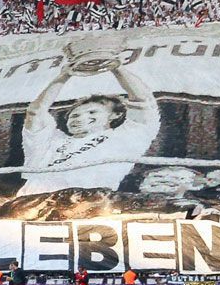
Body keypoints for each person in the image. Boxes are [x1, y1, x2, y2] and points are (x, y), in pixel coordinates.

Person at [18, 48, 159, 196]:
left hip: (86, 205)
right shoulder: (51, 141)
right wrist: (64, 75)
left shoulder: (126, 138)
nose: (80, 118)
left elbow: (142, 101)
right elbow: (35, 111)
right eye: (74, 116)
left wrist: (116, 67)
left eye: (92, 112)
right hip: (31, 205)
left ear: (115, 115)